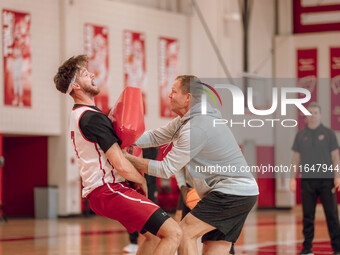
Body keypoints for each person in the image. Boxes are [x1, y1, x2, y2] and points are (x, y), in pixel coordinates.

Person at [53, 55, 182, 255]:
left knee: (154, 236)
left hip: (101, 193)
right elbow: (120, 163)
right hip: (110, 190)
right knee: (174, 233)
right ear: (76, 86)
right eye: (85, 74)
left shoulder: (78, 114)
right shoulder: (92, 117)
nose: (92, 74)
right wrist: (142, 181)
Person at [124, 75, 259, 255]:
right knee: (214, 247)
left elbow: (166, 169)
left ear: (188, 98)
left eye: (174, 91)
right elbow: (155, 137)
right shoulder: (187, 120)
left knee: (183, 233)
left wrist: (126, 158)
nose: (169, 96)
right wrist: (120, 138)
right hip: (243, 193)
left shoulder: (196, 127)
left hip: (231, 192)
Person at [290, 102, 340, 255]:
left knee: (332, 215)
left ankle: (338, 248)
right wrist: (292, 178)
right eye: (309, 113)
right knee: (307, 216)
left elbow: (335, 157)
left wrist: (337, 176)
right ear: (306, 116)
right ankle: (307, 248)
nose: (312, 115)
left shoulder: (328, 133)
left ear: (320, 114)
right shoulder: (301, 135)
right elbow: (295, 158)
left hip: (327, 181)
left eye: (315, 112)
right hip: (307, 181)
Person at [123, 147, 160, 254]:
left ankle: (159, 238)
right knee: (132, 203)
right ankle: (134, 241)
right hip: (132, 150)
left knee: (150, 202)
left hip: (148, 151)